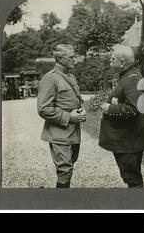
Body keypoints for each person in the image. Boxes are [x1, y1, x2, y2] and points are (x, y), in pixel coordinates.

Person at [99, 44, 144, 188]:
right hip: (129, 139)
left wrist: (110, 108)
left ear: (122, 62)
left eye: (113, 58)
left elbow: (134, 109)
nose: (110, 59)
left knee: (132, 179)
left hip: (130, 141)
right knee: (130, 176)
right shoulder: (128, 75)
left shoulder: (132, 78)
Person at [37, 44, 86, 188]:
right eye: (71, 57)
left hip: (73, 132)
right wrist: (69, 117)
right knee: (64, 170)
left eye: (74, 56)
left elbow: (73, 100)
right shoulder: (50, 79)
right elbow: (43, 108)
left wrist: (80, 110)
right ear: (59, 58)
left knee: (70, 166)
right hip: (59, 133)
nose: (75, 60)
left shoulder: (70, 76)